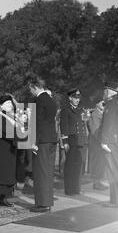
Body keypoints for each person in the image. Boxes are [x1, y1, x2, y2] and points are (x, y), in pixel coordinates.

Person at [29, 77, 57, 212]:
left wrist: (35, 142)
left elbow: (37, 122)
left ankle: (42, 203)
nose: (30, 92)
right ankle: (47, 201)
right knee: (48, 171)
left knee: (41, 172)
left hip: (42, 141)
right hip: (51, 139)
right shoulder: (51, 99)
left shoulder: (39, 100)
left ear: (35, 87)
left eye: (30, 89)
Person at [88, 82, 118, 190]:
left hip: (102, 142)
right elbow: (95, 129)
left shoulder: (105, 112)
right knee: (98, 163)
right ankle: (97, 183)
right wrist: (103, 141)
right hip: (97, 143)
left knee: (102, 164)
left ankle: (100, 181)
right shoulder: (96, 113)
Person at [60, 89, 88, 196]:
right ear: (70, 98)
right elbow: (64, 126)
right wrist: (65, 141)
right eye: (75, 98)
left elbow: (83, 126)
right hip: (71, 140)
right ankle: (69, 189)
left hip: (80, 140)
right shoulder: (66, 110)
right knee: (70, 166)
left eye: (78, 98)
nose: (77, 100)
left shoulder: (81, 111)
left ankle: (76, 188)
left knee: (78, 166)